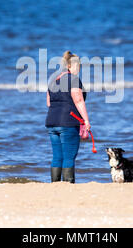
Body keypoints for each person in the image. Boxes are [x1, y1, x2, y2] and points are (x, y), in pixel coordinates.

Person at [45, 51, 90, 183]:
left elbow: (48, 103)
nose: (79, 69)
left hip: (52, 122)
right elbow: (79, 101)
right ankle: (68, 184)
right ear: (70, 66)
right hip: (68, 122)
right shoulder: (74, 79)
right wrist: (86, 120)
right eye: (78, 66)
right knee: (69, 156)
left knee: (57, 156)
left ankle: (55, 184)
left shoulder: (53, 80)